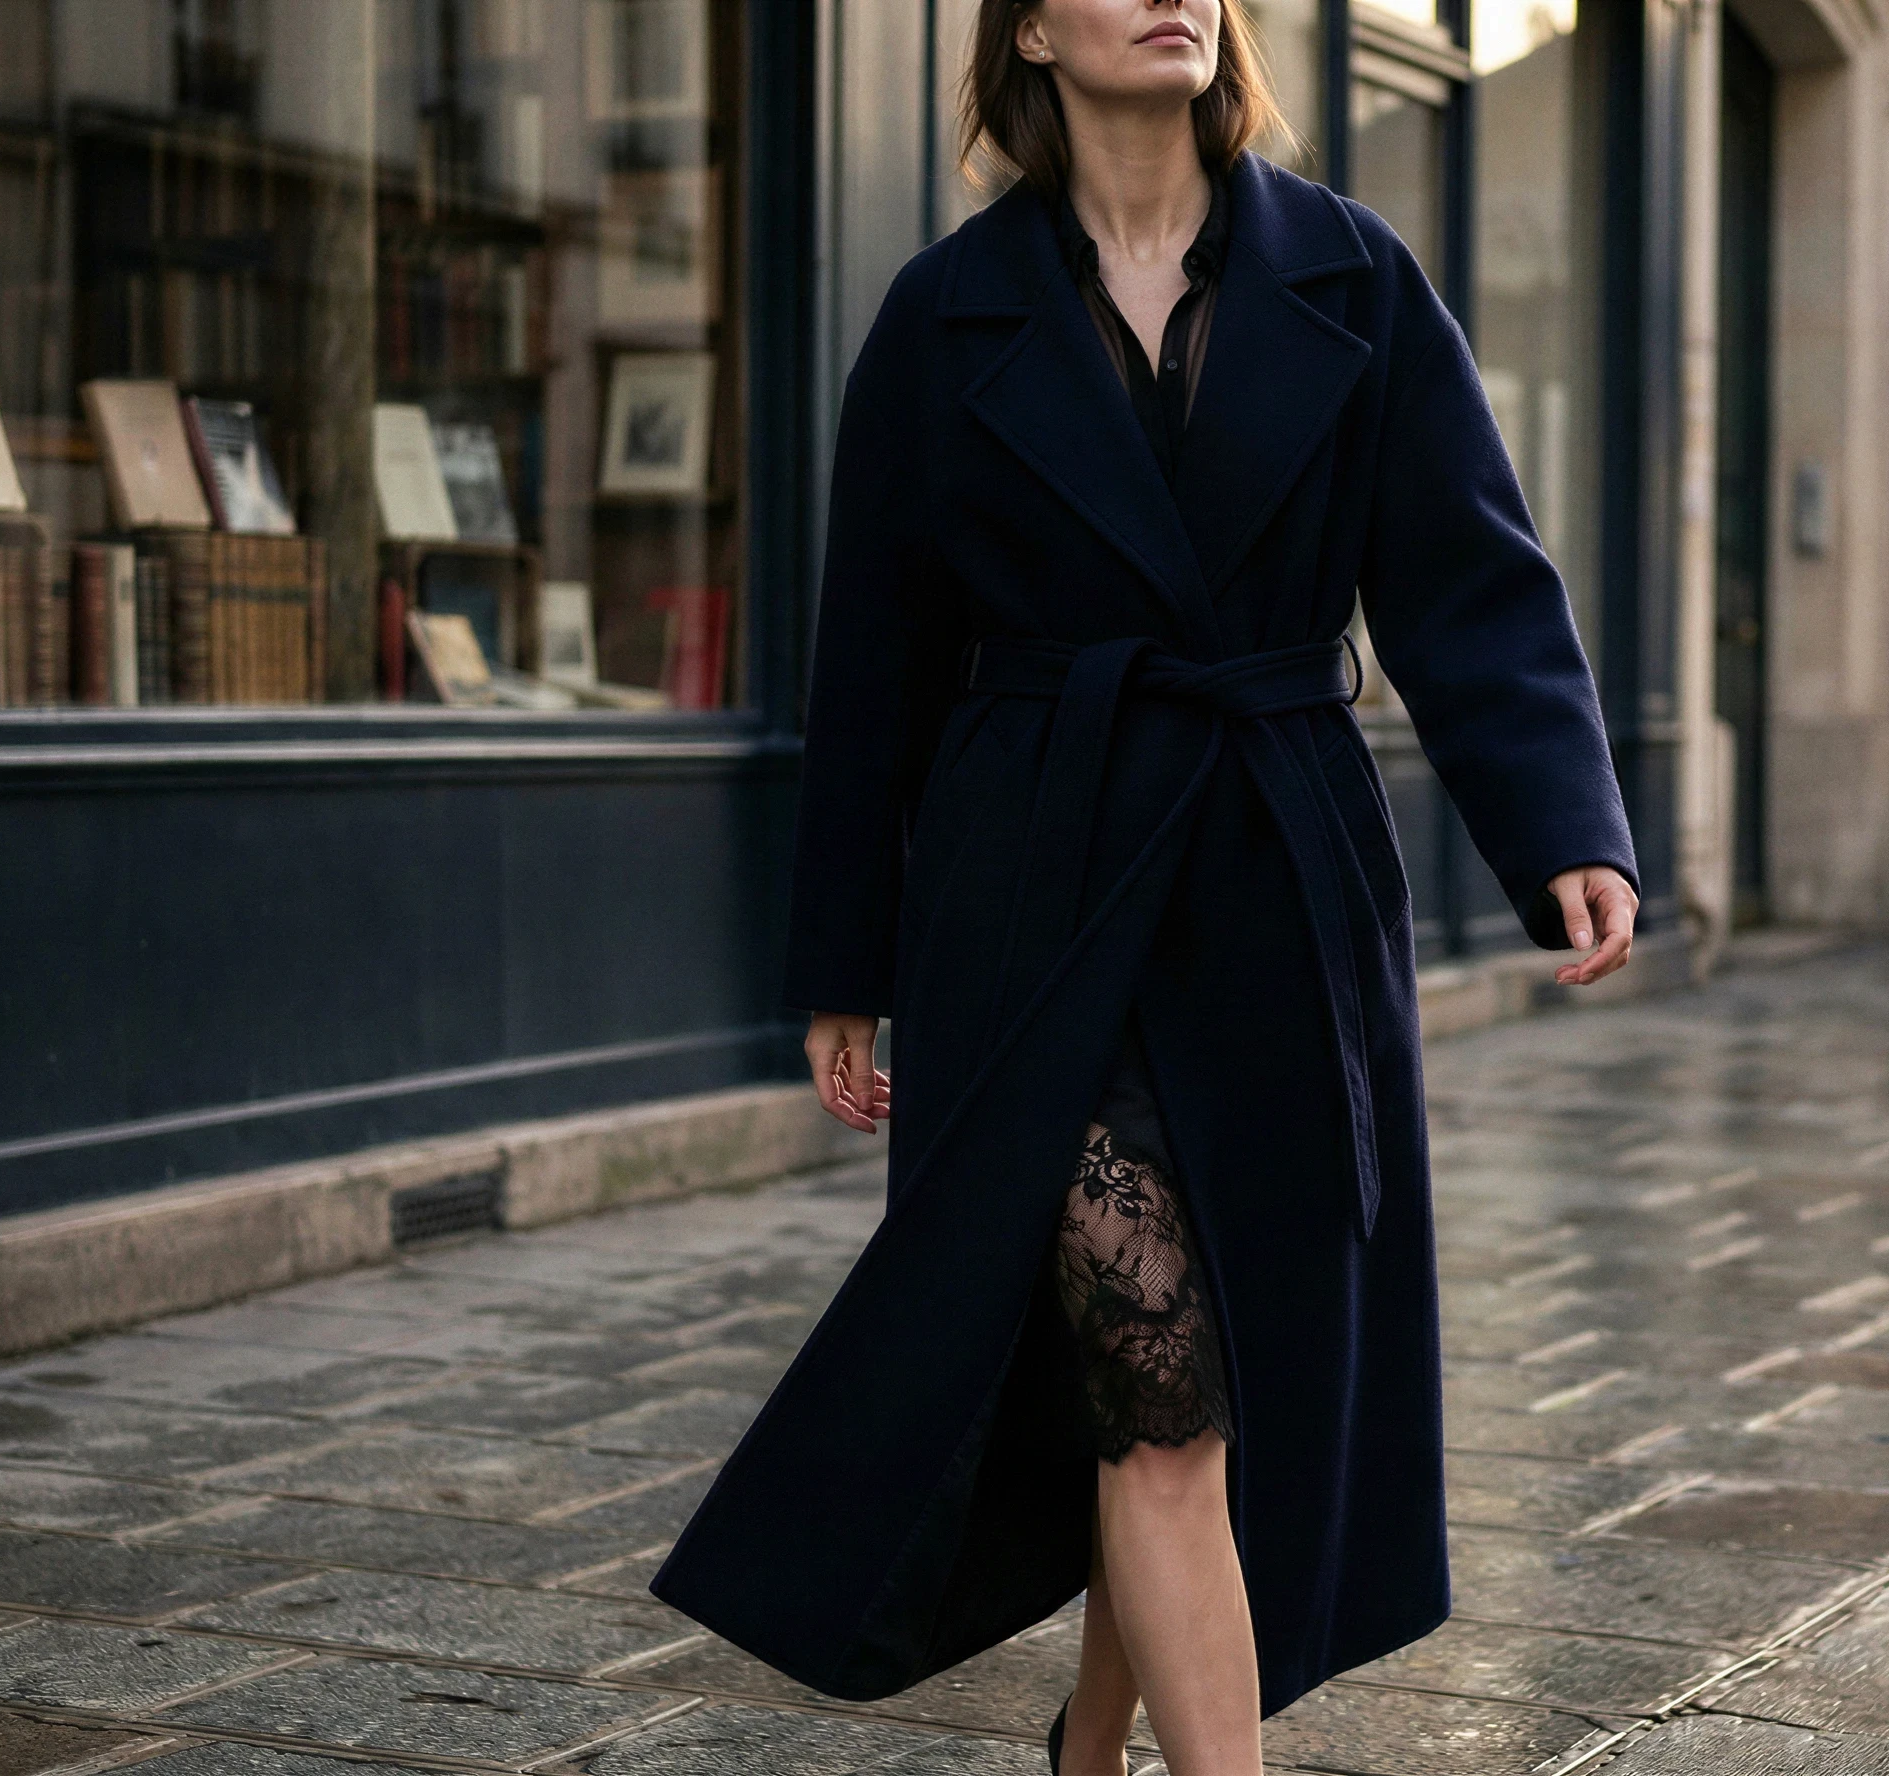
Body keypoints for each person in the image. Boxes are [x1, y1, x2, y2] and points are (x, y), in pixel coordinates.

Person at [647, 2, 1639, 1771]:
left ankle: (1087, 1744)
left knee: (1191, 1390)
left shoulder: (1353, 275)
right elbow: (871, 661)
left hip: (1273, 880)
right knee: (1161, 1388)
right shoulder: (942, 316)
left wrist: (1564, 818)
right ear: (1032, 27)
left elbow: (1466, 573)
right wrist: (842, 958)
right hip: (1032, 894)